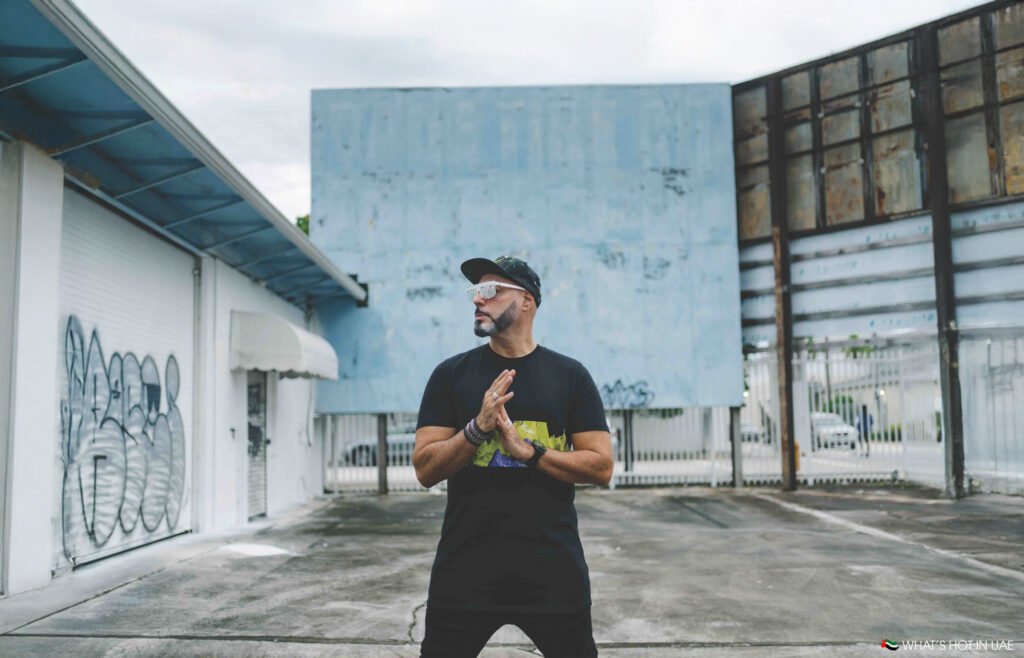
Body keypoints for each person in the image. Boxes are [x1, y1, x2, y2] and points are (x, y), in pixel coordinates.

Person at [414, 255, 613, 657]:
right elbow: (425, 469)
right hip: (465, 571)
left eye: (490, 291)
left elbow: (601, 466)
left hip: (552, 572)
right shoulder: (450, 375)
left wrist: (531, 452)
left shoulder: (570, 375)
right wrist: (477, 428)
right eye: (474, 292)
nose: (477, 301)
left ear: (526, 302)